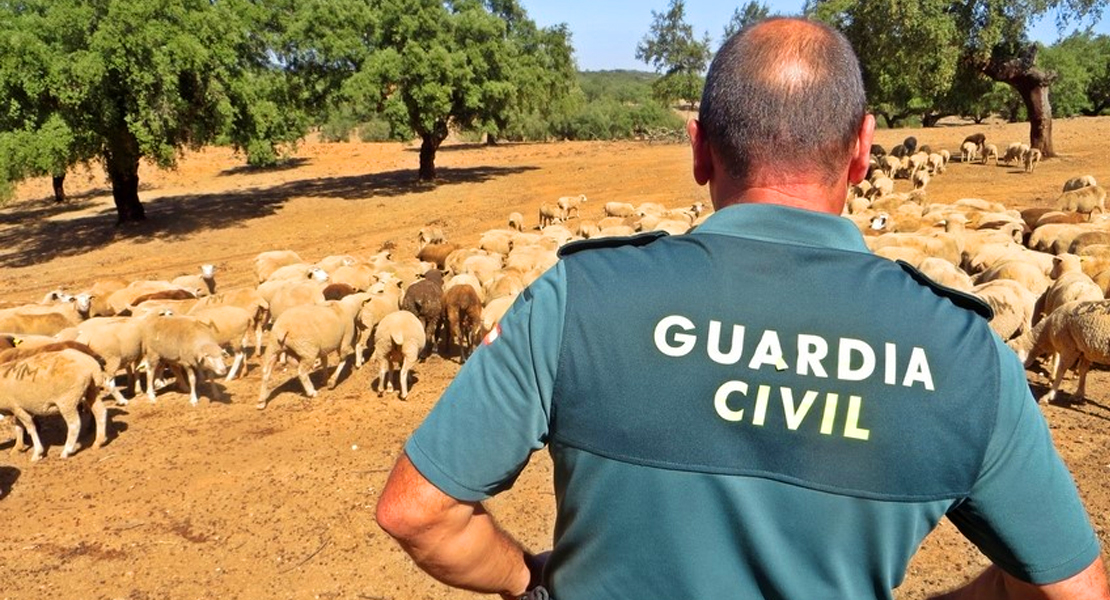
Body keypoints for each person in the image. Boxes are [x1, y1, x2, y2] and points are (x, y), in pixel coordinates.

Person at [375, 17, 1109, 600]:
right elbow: (1073, 589)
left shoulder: (579, 298)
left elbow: (416, 510)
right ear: (863, 151)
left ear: (698, 150)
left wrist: (528, 581)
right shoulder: (964, 353)